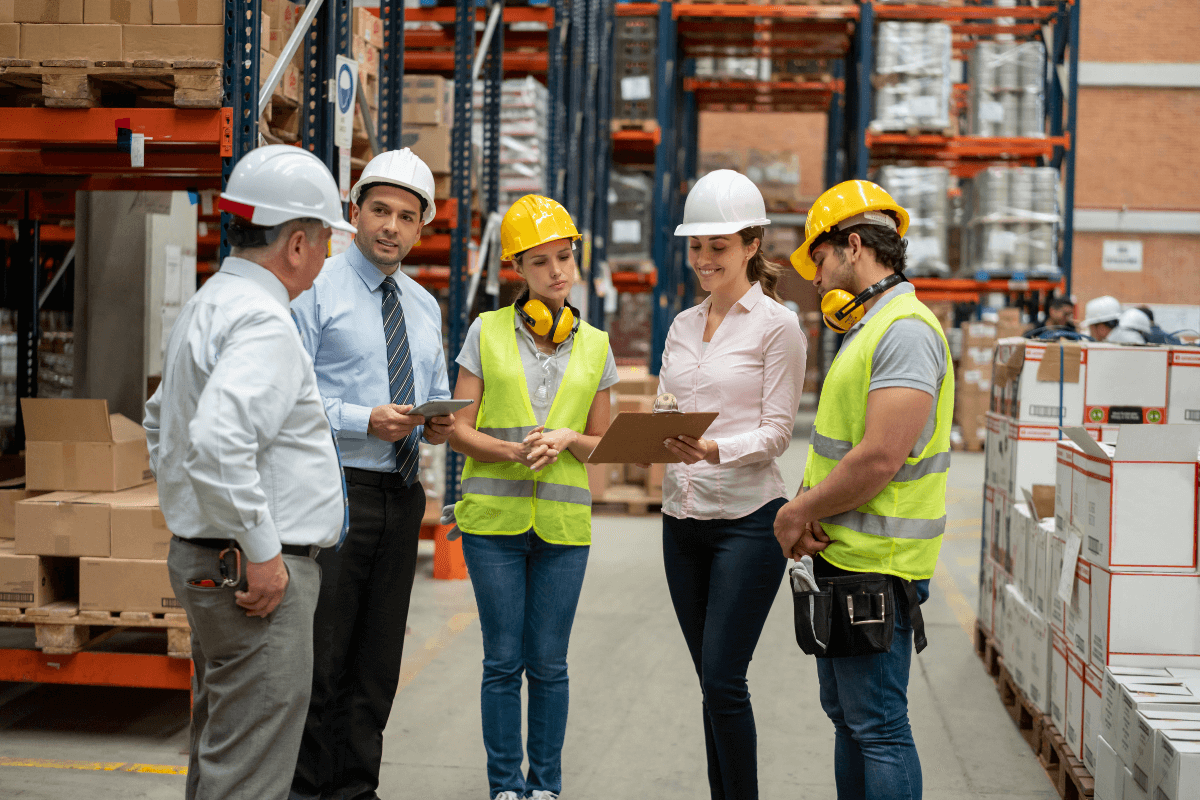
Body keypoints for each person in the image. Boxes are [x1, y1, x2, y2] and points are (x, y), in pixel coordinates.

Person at [144, 145, 353, 800]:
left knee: (225, 745)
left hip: (213, 556)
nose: (325, 257)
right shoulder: (263, 321)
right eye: (324, 240)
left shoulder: (212, 302)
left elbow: (160, 423)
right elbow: (217, 440)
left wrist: (196, 517)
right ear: (296, 244)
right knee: (252, 768)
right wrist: (262, 552)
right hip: (253, 575)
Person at [775, 179, 955, 800]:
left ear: (853, 246)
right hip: (845, 560)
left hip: (879, 568)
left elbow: (879, 457)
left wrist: (797, 510)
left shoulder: (905, 331)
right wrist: (814, 515)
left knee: (878, 728)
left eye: (819, 261)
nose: (817, 280)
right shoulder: (870, 329)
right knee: (849, 721)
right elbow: (842, 447)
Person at [289, 149, 454, 800]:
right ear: (352, 212)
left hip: (400, 495)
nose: (391, 226)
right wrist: (363, 418)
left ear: (422, 228)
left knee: (376, 664)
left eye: (406, 216)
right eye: (379, 210)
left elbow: (435, 390)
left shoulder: (423, 305)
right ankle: (305, 792)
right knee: (320, 661)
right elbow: (289, 398)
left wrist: (436, 421)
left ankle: (356, 790)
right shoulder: (314, 292)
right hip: (335, 493)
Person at [448, 195, 619, 800]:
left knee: (549, 664)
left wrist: (571, 438)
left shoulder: (595, 345)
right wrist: (512, 452)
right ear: (517, 269)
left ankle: (545, 786)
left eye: (565, 258)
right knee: (503, 662)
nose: (557, 272)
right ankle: (504, 786)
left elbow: (602, 445)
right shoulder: (486, 331)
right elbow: (458, 430)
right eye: (541, 261)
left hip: (564, 532)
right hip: (493, 523)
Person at [657, 169, 807, 800]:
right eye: (696, 246)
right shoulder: (681, 326)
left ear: (751, 245)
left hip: (749, 518)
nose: (704, 260)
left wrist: (716, 449)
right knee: (708, 682)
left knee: (724, 678)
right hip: (681, 519)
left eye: (717, 247)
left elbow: (776, 432)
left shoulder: (779, 327)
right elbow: (670, 405)